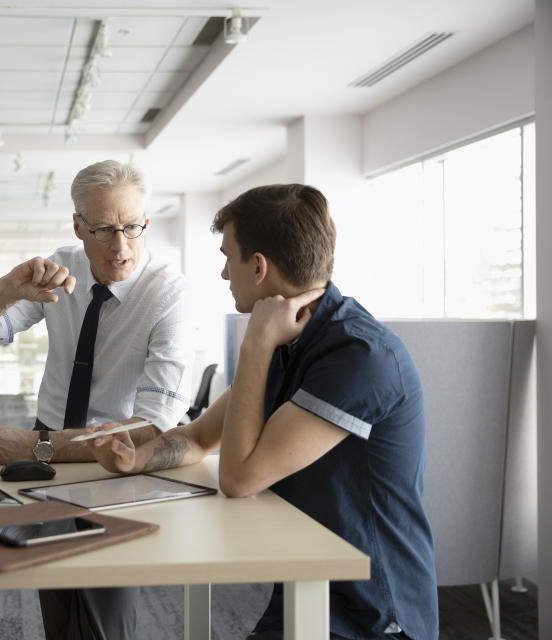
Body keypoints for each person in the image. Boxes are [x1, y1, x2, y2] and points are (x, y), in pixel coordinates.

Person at [86, 184, 439, 640]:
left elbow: (240, 478)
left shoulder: (358, 355)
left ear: (258, 267)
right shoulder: (291, 336)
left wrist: (254, 343)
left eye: (227, 256)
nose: (222, 273)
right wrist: (133, 459)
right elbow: (197, 437)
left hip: (372, 614)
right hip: (309, 583)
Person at [0, 159, 195, 640]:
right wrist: (4, 290)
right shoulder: (62, 269)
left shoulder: (169, 295)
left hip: (117, 460)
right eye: (103, 230)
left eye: (132, 228)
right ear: (78, 226)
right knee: (56, 595)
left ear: (147, 222)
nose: (121, 246)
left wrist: (33, 447)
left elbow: (152, 429)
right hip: (47, 449)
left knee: (104, 616)